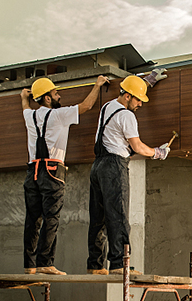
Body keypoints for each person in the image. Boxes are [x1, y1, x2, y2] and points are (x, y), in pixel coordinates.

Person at [21, 75, 109, 275]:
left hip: (32, 171)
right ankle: (45, 262)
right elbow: (86, 106)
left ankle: (30, 265)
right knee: (51, 217)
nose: (59, 95)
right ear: (47, 99)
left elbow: (26, 107)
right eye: (55, 93)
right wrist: (97, 85)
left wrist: (24, 98)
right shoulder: (59, 115)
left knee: (32, 219)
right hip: (53, 170)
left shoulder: (29, 116)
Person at [86, 69, 169, 275]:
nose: (140, 104)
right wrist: (159, 153)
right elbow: (138, 147)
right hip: (114, 166)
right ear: (127, 96)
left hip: (97, 166)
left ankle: (95, 265)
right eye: (138, 100)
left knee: (99, 217)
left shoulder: (108, 106)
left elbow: (131, 89)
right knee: (119, 215)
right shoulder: (127, 116)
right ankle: (119, 264)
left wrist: (146, 82)